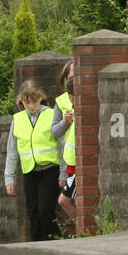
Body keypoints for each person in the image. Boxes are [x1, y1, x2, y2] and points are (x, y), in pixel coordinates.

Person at [4, 81, 61, 241]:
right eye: (26, 102)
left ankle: (55, 241)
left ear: (40, 98)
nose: (31, 105)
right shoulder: (18, 119)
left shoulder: (51, 114)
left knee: (45, 210)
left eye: (34, 101)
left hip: (50, 169)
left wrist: (63, 172)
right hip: (29, 171)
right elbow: (12, 152)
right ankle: (36, 246)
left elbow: (61, 143)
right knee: (33, 213)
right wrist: (9, 178)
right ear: (21, 101)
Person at [52, 61, 76, 237]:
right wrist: (65, 122)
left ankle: (87, 230)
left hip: (78, 159)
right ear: (66, 77)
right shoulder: (61, 102)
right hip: (68, 160)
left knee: (67, 200)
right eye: (72, 73)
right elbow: (54, 132)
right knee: (67, 200)